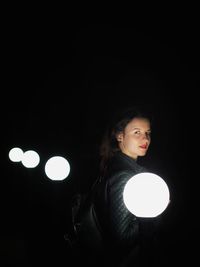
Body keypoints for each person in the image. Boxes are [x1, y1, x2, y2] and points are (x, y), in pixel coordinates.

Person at [69, 106, 160, 266]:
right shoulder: (123, 176)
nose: (145, 139)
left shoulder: (117, 167)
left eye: (148, 133)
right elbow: (121, 239)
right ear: (120, 136)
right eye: (136, 132)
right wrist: (155, 213)